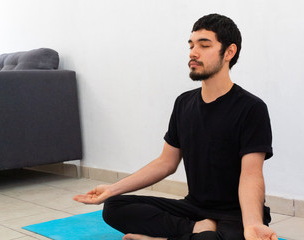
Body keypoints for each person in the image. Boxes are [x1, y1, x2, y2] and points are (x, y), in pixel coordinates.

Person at [74, 13, 278, 240]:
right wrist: (112, 189)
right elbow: (166, 162)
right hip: (194, 210)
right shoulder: (184, 103)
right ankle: (194, 230)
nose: (193, 52)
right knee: (114, 206)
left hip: (235, 214)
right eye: (191, 45)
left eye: (204, 45)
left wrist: (252, 224)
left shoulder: (251, 108)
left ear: (229, 52)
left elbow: (251, 175)